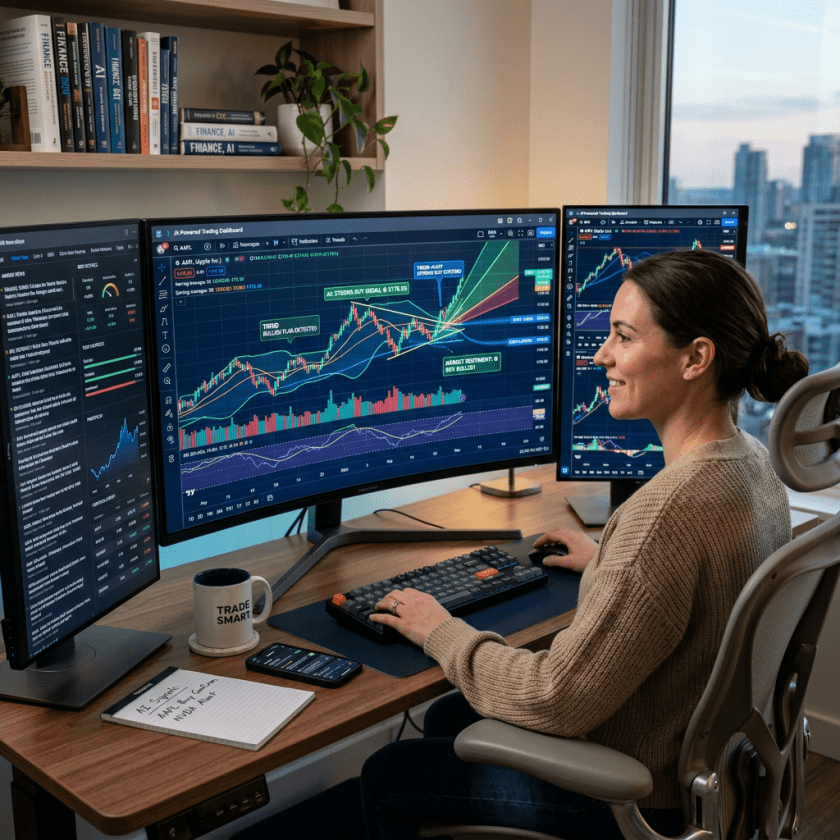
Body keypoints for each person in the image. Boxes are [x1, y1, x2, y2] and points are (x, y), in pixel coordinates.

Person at [358, 248, 809, 840]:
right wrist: (609, 562)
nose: (602, 355)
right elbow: (705, 581)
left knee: (387, 772)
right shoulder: (751, 463)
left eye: (624, 336)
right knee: (448, 714)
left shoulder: (663, 516)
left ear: (697, 358)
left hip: (640, 795)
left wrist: (439, 629)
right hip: (712, 772)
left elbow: (555, 699)